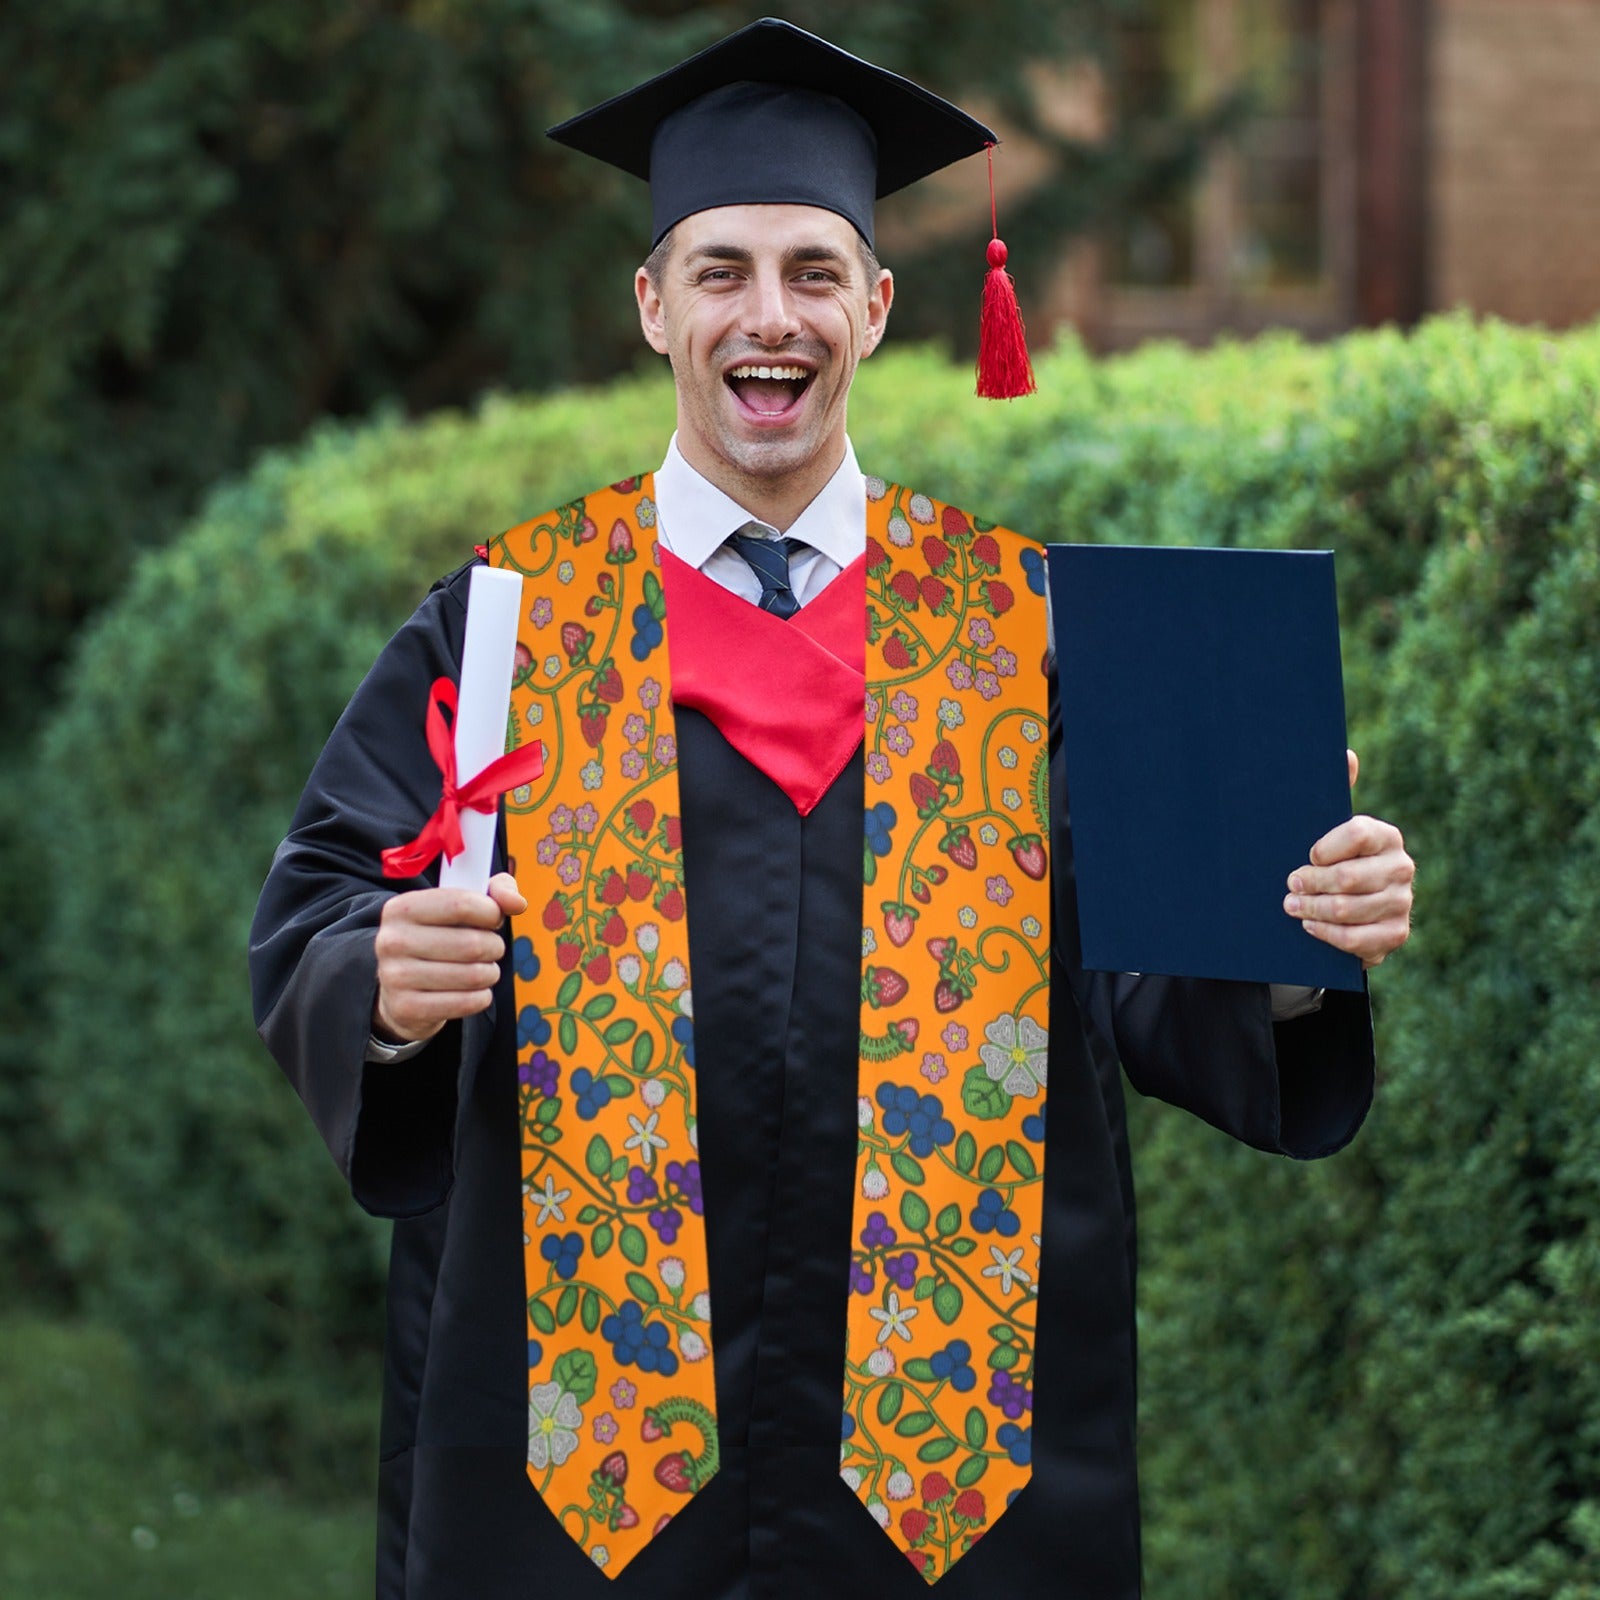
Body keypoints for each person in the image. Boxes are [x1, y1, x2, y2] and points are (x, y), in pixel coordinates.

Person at [249, 19, 1414, 1600]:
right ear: (654, 305)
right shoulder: (512, 624)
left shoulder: (1033, 631)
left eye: (812, 270)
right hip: (585, 1468)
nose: (768, 316)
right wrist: (380, 983)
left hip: (954, 1470)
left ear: (877, 305)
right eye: (721, 270)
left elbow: (1151, 979)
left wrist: (1292, 936)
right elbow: (323, 902)